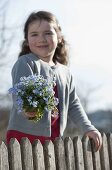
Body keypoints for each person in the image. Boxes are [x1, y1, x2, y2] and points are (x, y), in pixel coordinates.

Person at [7, 11, 102, 151]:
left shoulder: (65, 72)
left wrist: (88, 128)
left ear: (59, 37)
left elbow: (73, 104)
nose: (41, 38)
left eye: (48, 33)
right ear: (27, 40)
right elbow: (19, 93)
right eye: (34, 34)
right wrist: (28, 108)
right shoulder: (26, 63)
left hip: (54, 139)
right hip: (23, 136)